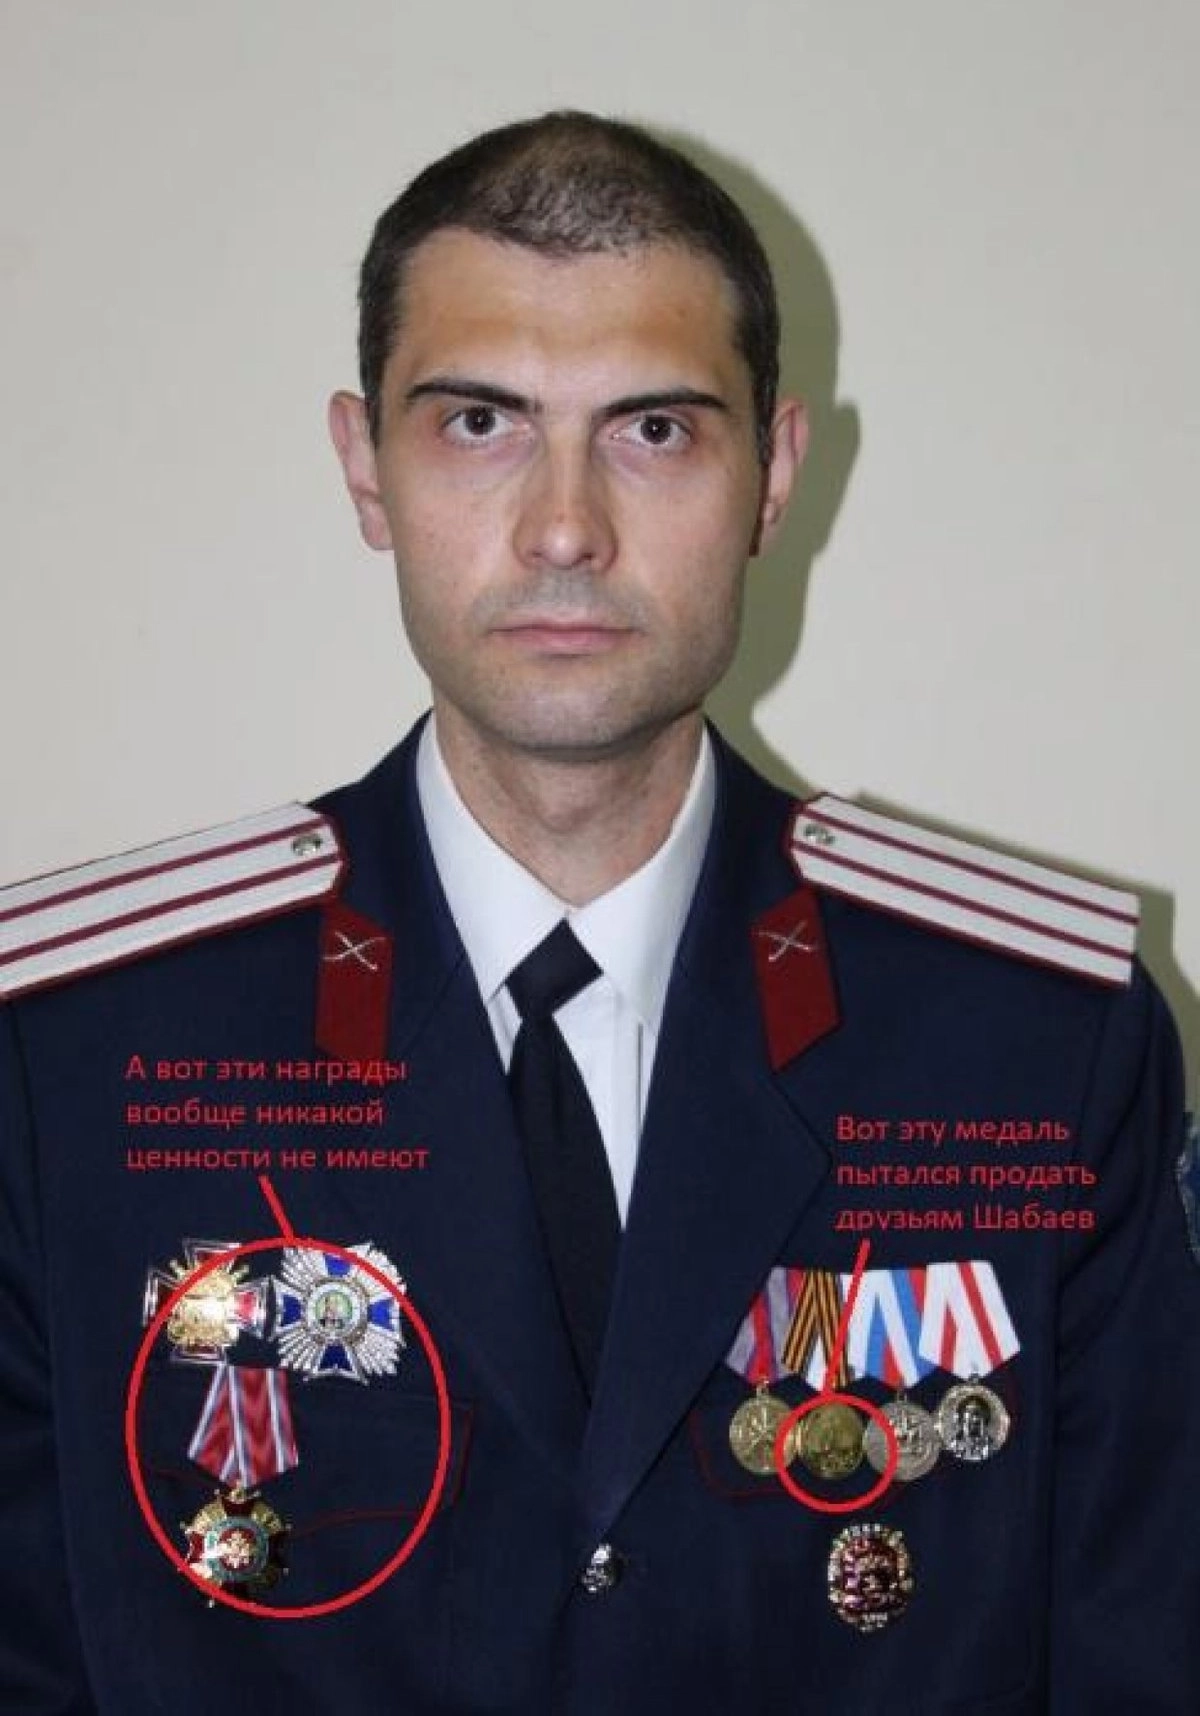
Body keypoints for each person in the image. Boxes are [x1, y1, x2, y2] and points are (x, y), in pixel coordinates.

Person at [1, 109, 1196, 1715]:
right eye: (479, 421)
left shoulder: (1038, 1050)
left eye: (653, 430)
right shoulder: (73, 1056)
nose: (564, 527)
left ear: (774, 474)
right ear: (364, 466)